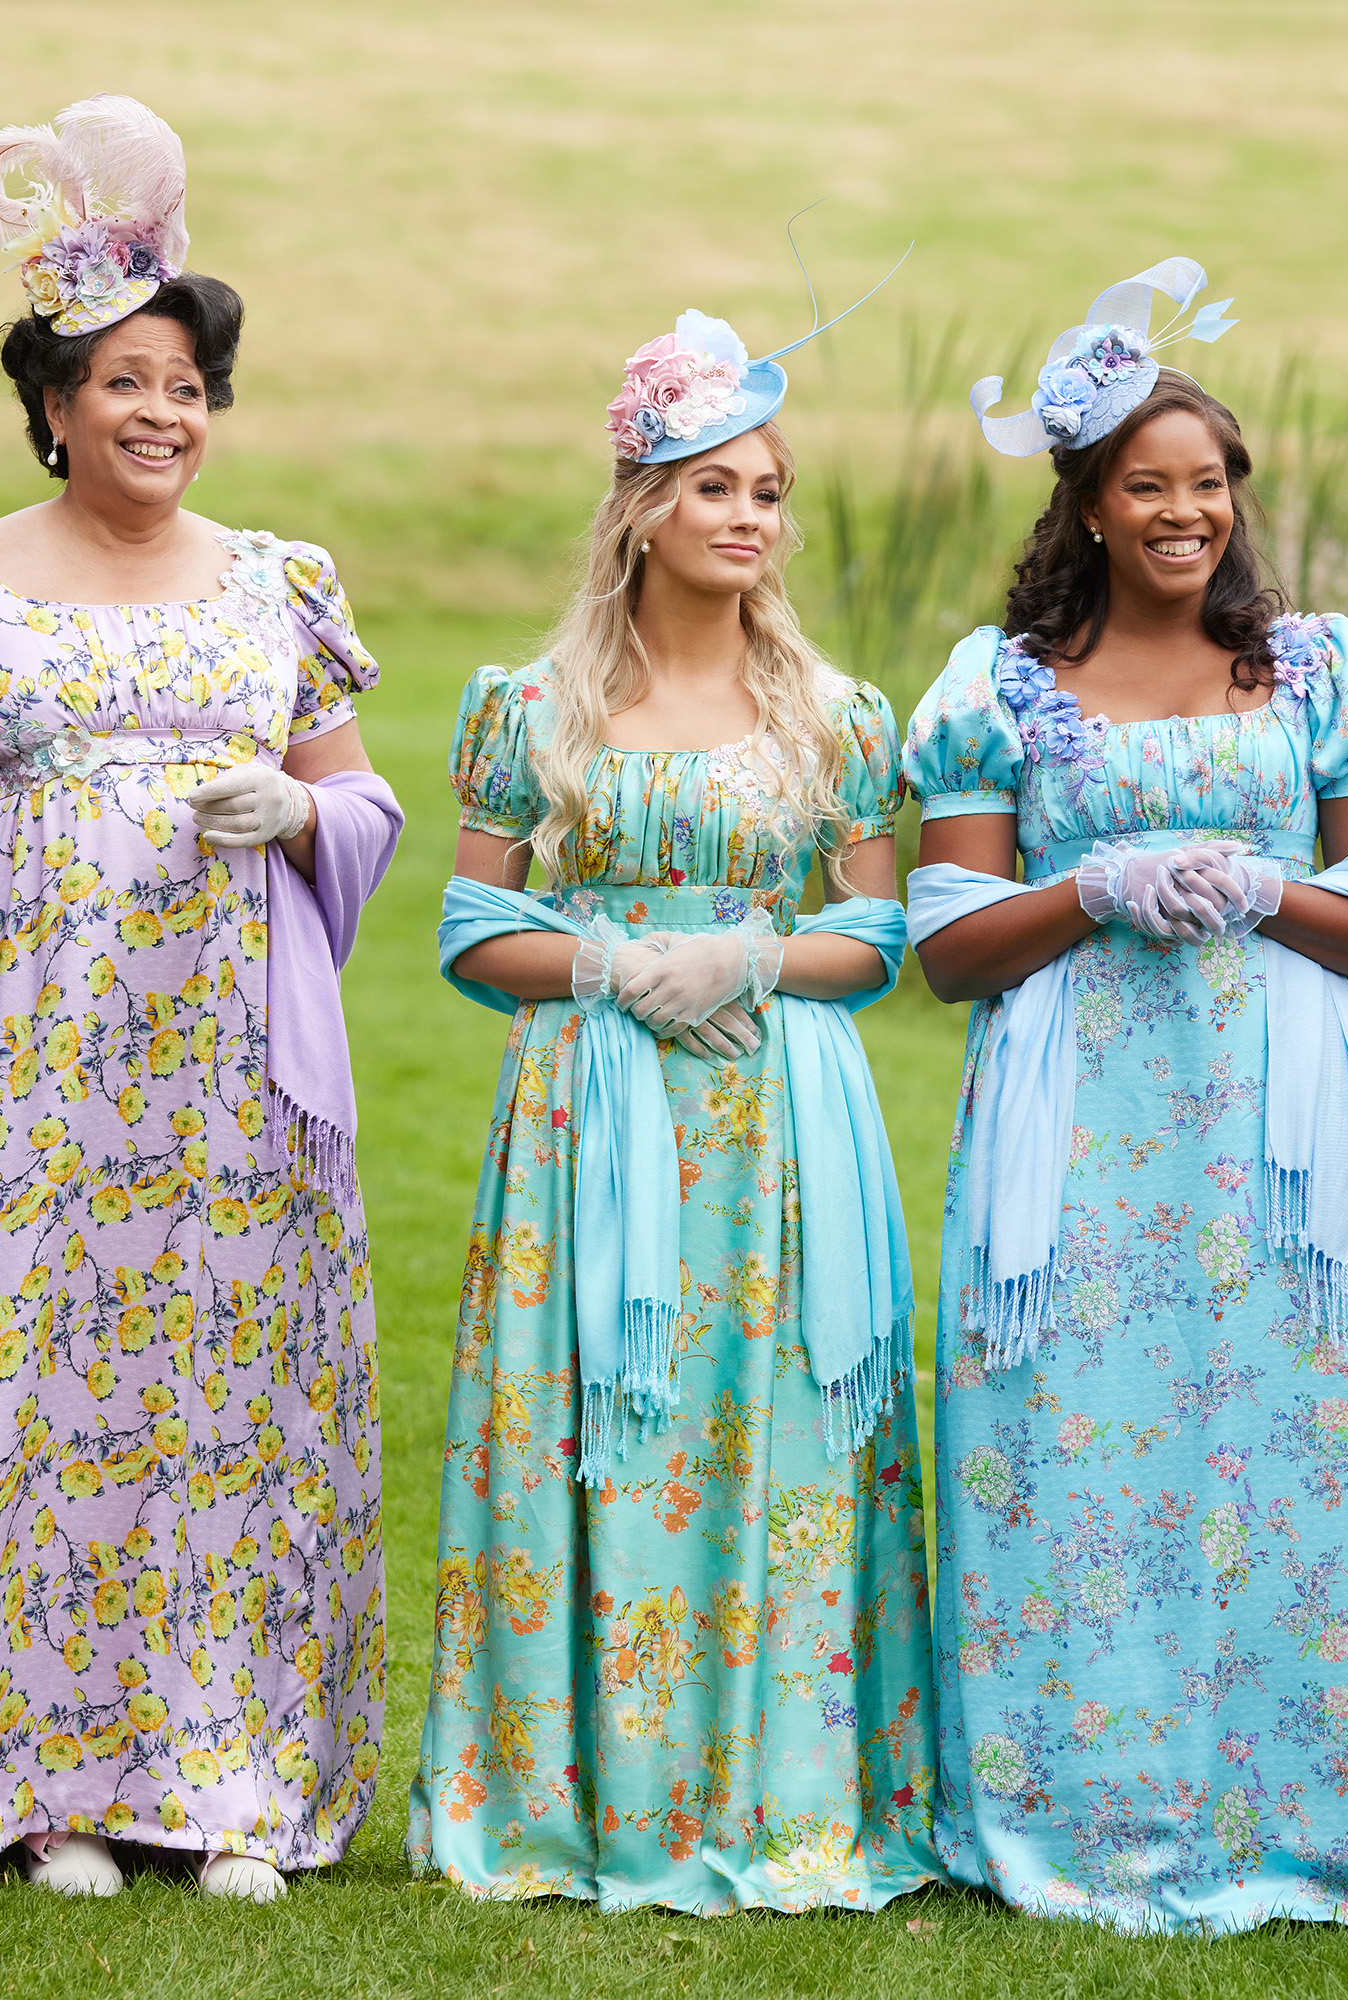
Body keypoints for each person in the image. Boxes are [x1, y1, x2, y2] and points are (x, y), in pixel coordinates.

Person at [0, 97, 402, 1906]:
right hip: (27, 1056)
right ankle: (33, 1779)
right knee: (28, 1379)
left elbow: (361, 797)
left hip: (227, 1072)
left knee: (225, 1391)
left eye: (189, 388)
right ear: (55, 400)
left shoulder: (279, 585)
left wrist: (304, 809)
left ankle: (215, 1774)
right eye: (126, 383)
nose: (164, 415)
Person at [903, 261, 1348, 1934]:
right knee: (1083, 1458)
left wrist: (1250, 886)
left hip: (1280, 1133)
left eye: (1209, 483)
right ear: (1087, 505)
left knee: (1310, 1441)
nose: (1185, 513)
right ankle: (1090, 1815)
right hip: (1079, 1124)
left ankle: (1324, 1819)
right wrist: (1094, 893)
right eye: (1146, 485)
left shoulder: (1317, 675)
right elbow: (948, 947)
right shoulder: (1002, 687)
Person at [413, 295, 938, 1914]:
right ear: (643, 504)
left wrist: (750, 954)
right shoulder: (533, 708)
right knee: (595, 1430)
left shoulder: (839, 717)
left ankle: (784, 1788)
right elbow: (466, 930)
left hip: (777, 1119)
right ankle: (585, 1795)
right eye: (715, 487)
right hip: (589, 1117)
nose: (747, 519)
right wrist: (599, 972)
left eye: (768, 492)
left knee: (771, 1424)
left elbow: (878, 937)